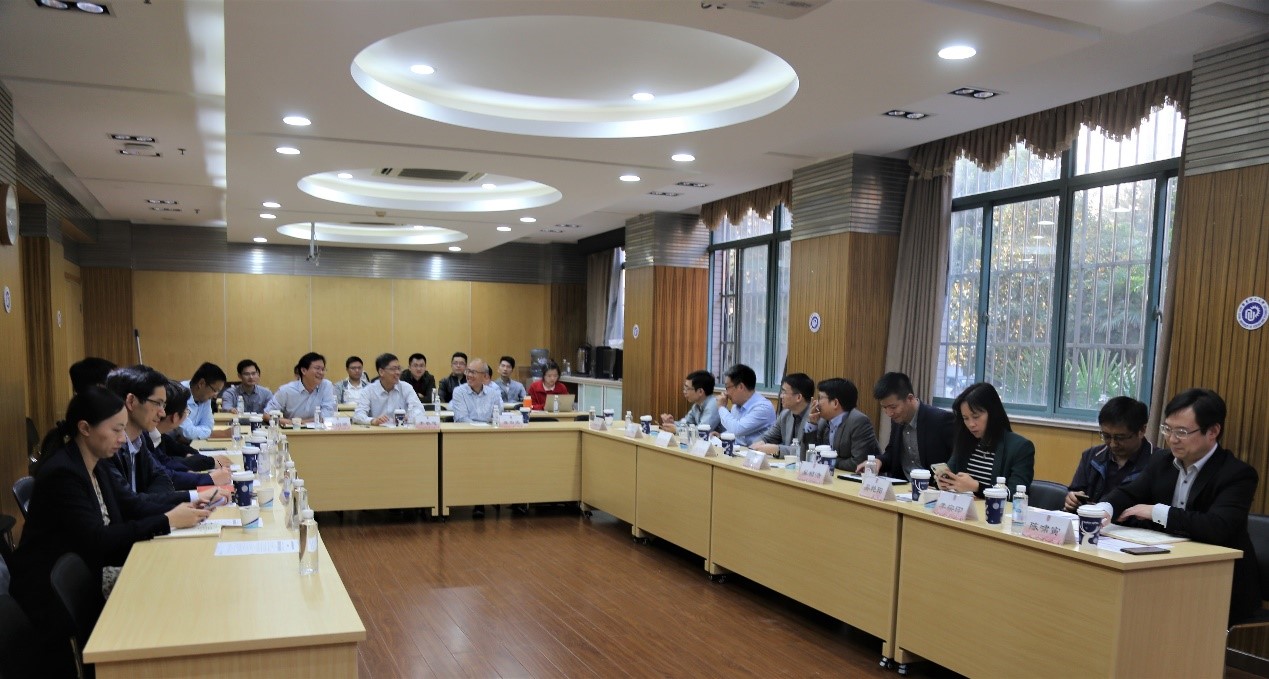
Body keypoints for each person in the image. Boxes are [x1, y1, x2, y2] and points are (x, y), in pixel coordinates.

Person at [11, 387, 207, 636]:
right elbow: (97, 539)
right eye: (116, 430)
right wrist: (167, 520)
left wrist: (185, 505)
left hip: (94, 568)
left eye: (123, 429)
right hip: (57, 592)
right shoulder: (63, 474)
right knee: (173, 596)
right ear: (85, 428)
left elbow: (132, 505)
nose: (123, 439)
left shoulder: (97, 462)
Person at [1094, 389, 1260, 624]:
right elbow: (1129, 492)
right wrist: (1104, 509)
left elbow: (1218, 526)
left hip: (1218, 580)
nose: (1172, 439)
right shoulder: (1161, 461)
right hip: (1164, 569)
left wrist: (1157, 512)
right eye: (1168, 429)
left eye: (1181, 432)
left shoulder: (1237, 474)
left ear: (1213, 431)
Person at [105, 365, 214, 506]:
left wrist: (151, 501)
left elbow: (162, 477)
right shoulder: (108, 450)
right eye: (158, 404)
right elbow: (129, 503)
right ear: (131, 401)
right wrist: (193, 497)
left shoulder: (140, 439)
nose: (162, 413)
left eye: (164, 405)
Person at [936, 382, 1034, 497]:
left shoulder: (1020, 447)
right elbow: (951, 474)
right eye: (965, 418)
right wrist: (945, 482)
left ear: (993, 413)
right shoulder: (964, 441)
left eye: (976, 417)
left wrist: (977, 487)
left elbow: (1015, 495)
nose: (971, 424)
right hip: (961, 506)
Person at [1063, 396, 1155, 511]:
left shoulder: (1158, 463)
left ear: (1142, 430)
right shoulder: (1092, 456)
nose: (1113, 444)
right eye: (1106, 436)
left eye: (1120, 438)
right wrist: (1072, 498)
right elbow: (1075, 491)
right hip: (1090, 519)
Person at [861, 372, 954, 479]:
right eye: (884, 407)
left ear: (910, 398)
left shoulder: (940, 420)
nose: (889, 413)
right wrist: (879, 461)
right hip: (901, 485)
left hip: (930, 486)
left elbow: (956, 460)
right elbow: (892, 453)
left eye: (893, 407)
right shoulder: (897, 419)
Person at [146, 381, 232, 489]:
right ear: (175, 417)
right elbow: (163, 474)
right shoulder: (144, 439)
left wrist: (190, 468)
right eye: (187, 411)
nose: (161, 412)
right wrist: (208, 477)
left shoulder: (159, 436)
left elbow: (167, 462)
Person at [803, 377, 879, 470]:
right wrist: (812, 424)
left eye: (820, 398)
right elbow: (812, 454)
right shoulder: (823, 421)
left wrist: (829, 460)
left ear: (835, 403)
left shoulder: (859, 421)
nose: (816, 403)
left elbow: (858, 462)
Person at [750, 373, 815, 458]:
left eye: (784, 392)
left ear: (798, 397)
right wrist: (760, 442)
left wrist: (778, 449)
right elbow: (767, 437)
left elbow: (805, 451)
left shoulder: (815, 418)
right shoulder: (785, 415)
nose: (781, 396)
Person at [714, 364, 778, 447]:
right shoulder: (736, 406)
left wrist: (721, 407)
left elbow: (737, 429)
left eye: (727, 388)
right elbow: (737, 434)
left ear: (740, 387)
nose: (725, 393)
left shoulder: (763, 407)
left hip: (756, 452)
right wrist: (721, 436)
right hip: (740, 451)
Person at [353, 353, 425, 425]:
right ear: (381, 372)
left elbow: (420, 410)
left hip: (401, 430)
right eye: (393, 369)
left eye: (399, 368)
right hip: (378, 430)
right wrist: (373, 420)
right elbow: (358, 415)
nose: (398, 372)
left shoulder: (406, 387)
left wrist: (409, 417)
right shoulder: (368, 391)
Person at [264, 352, 336, 423]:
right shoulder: (286, 390)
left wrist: (302, 422)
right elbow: (267, 415)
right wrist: (289, 422)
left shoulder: (326, 386)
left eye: (323, 369)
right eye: (317, 368)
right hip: (292, 429)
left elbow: (328, 414)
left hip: (319, 429)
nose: (321, 372)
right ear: (303, 370)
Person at [658, 370, 721, 434]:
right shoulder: (696, 405)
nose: (684, 392)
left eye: (687, 389)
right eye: (684, 388)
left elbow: (702, 432)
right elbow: (686, 423)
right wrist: (672, 423)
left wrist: (676, 430)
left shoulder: (714, 405)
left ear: (700, 392)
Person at [178, 362, 228, 440]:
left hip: (190, 443)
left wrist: (196, 434)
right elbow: (187, 432)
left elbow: (208, 426)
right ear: (201, 383)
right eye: (215, 390)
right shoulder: (179, 394)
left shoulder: (205, 397)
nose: (215, 396)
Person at [450, 358, 503, 424]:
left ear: (485, 376)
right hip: (466, 429)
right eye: (468, 371)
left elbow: (496, 418)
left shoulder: (493, 394)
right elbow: (462, 419)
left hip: (488, 429)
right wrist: (480, 427)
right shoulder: (459, 392)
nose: (469, 375)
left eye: (473, 372)